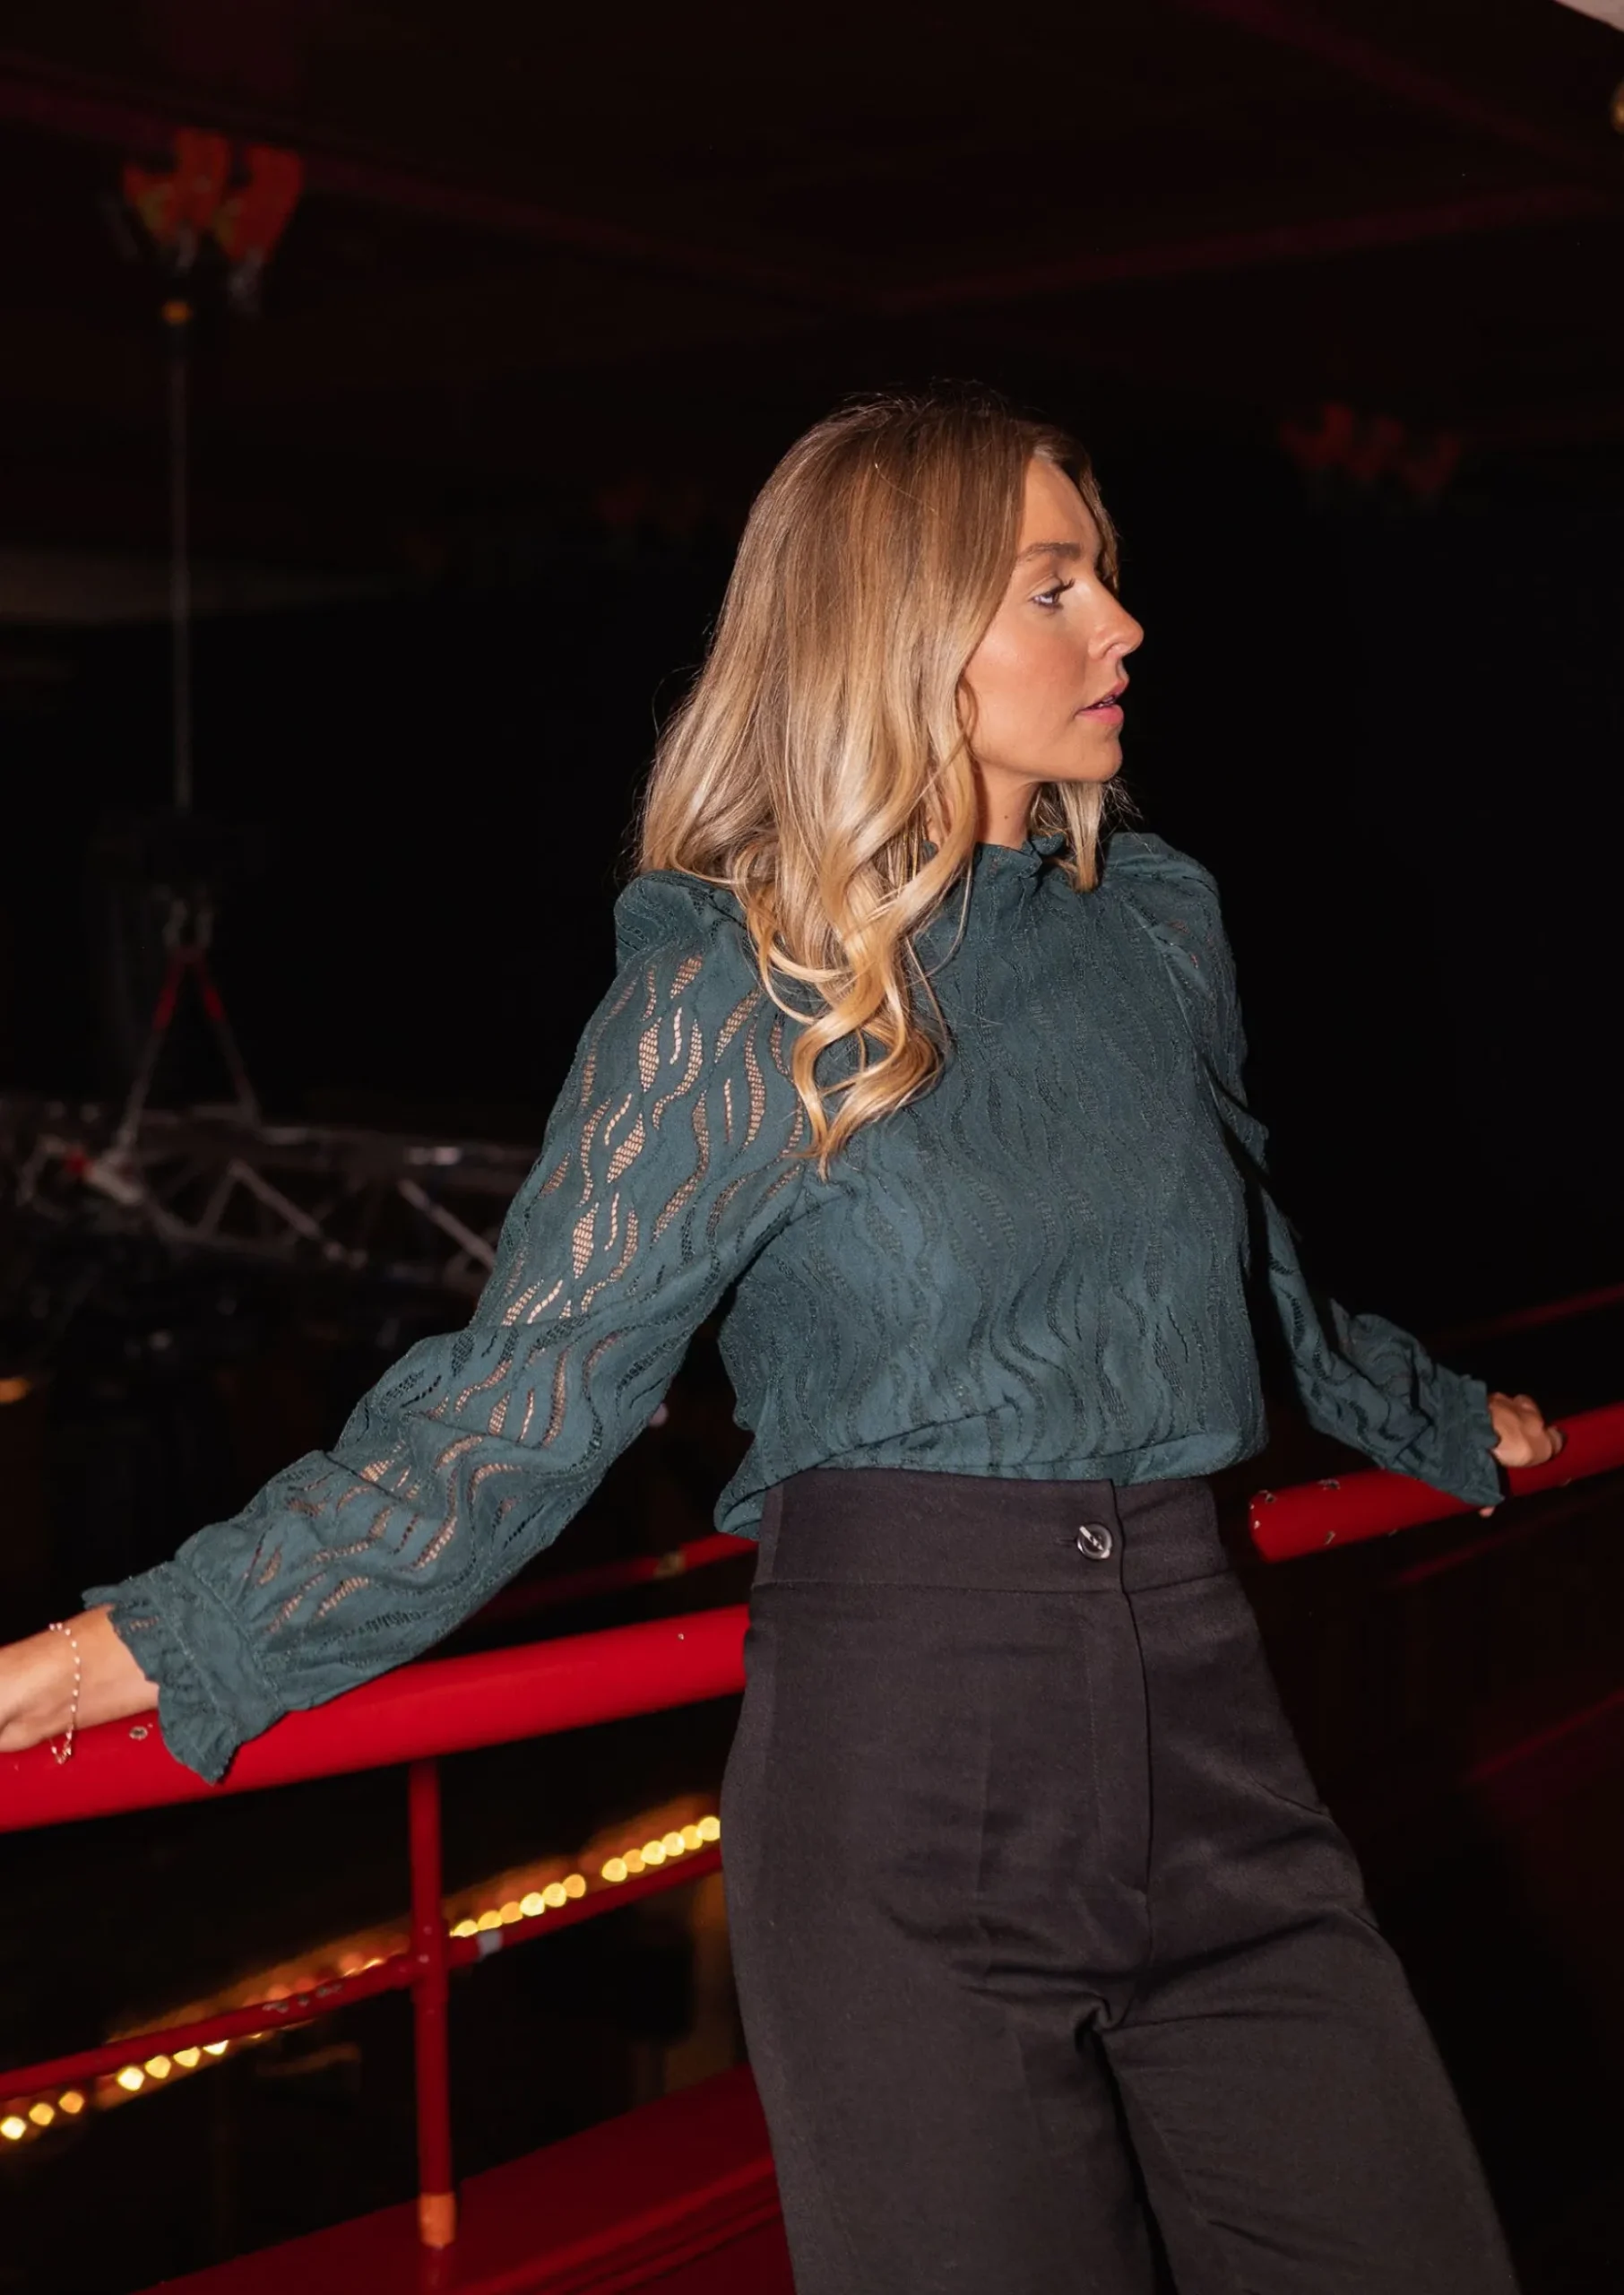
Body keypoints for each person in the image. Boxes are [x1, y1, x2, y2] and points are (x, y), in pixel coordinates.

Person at [0, 390, 1562, 2293]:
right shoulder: (737, 995)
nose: (1123, 626)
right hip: (905, 1778)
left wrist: (1424, 1408)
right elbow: (514, 1408)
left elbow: (1242, 1242)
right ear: (894, 633)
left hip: (1217, 1724)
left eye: (1104, 579)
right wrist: (127, 1651)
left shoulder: (1157, 926)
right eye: (1053, 588)